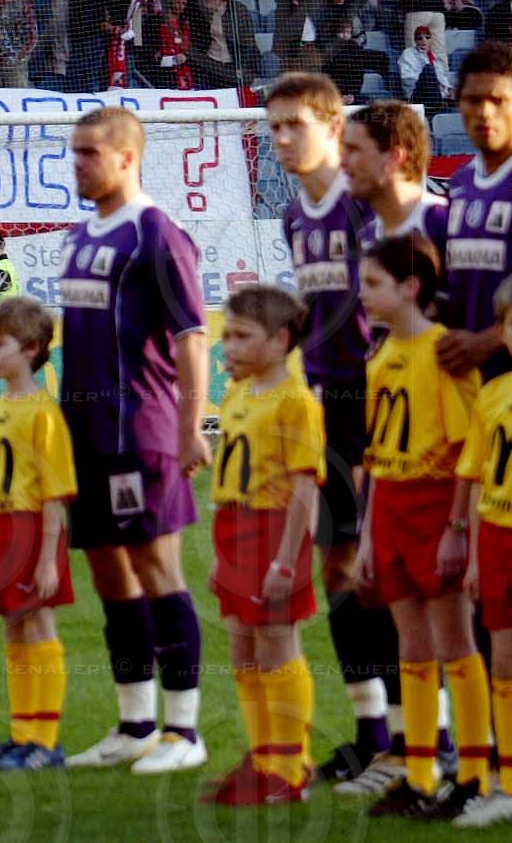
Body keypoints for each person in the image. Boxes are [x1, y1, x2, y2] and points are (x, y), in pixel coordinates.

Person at [56, 107, 212, 773]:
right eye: (75, 153)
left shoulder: (156, 234)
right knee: (109, 576)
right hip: (85, 436)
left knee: (157, 572)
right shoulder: (78, 235)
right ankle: (135, 723)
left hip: (139, 431)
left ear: (127, 157)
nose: (78, 164)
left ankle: (184, 732)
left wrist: (190, 429)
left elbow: (192, 336)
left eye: (90, 152)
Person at [265, 76, 405, 784]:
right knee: (340, 573)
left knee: (387, 574)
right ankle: (372, 735)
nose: (282, 138)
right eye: (275, 127)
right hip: (325, 411)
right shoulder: (297, 215)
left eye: (294, 124)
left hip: (376, 407)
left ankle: (415, 741)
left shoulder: (367, 209)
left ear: (330, 123)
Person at [354, 233, 490, 820]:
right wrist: (365, 535)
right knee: (410, 645)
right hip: (391, 509)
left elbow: (469, 452)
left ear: (409, 288)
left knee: (454, 641)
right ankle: (418, 772)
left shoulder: (443, 354)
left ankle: (477, 776)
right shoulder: (381, 356)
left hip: (435, 505)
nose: (362, 295)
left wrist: (458, 527)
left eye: (373, 284)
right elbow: (378, 454)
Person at [200, 284, 325, 805]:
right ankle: (262, 758)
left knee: (277, 642)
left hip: (274, 529)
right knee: (243, 646)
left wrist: (286, 557)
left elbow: (303, 486)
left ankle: (289, 766)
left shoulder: (295, 401)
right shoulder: (236, 393)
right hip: (234, 529)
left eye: (241, 336)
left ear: (279, 341)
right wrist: (220, 553)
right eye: (225, 335)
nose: (228, 346)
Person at [0, 295, 76, 773]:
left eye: (0, 344)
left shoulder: (43, 412)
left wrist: (50, 557)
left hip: (31, 527)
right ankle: (21, 734)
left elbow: (55, 490)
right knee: (13, 624)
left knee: (38, 622)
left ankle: (44, 741)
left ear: (32, 348)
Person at [451, 277, 512, 827]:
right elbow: (473, 476)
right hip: (496, 535)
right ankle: (507, 785)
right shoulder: (492, 394)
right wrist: (470, 556)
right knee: (503, 659)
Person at [441, 42, 512, 385]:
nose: (485, 113)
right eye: (473, 100)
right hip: (470, 385)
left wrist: (490, 340)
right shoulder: (460, 183)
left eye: (498, 100)